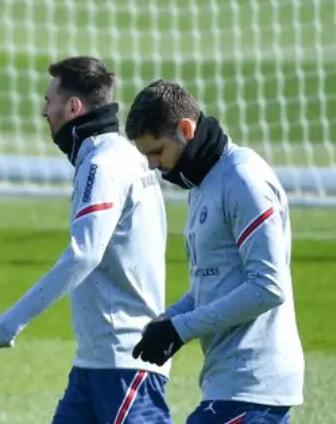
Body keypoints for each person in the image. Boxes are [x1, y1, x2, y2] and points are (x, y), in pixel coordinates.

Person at [0, 56, 172, 423]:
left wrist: (8, 323)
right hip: (96, 361)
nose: (45, 112)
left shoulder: (103, 164)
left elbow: (83, 254)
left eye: (49, 101)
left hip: (124, 360)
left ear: (73, 107)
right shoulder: (119, 156)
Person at [124, 79, 305, 424]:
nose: (152, 165)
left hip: (255, 384)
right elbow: (213, 284)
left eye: (157, 151)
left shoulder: (243, 180)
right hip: (227, 384)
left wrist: (181, 328)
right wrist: (169, 321)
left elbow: (268, 287)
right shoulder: (203, 182)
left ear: (186, 129)